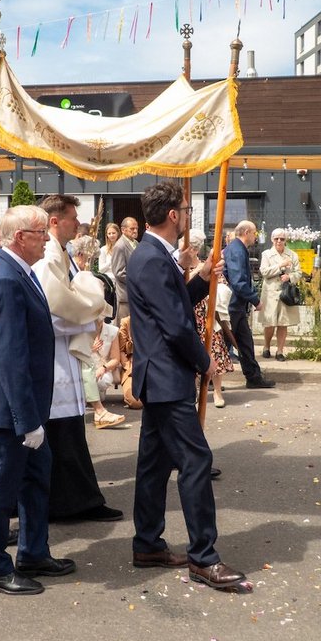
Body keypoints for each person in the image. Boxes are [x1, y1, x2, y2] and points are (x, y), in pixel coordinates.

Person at [126, 180, 246, 590]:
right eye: (187, 210)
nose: (189, 216)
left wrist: (200, 279)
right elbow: (175, 325)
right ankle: (203, 557)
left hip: (158, 376)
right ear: (173, 215)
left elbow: (172, 303)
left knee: (155, 464)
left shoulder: (154, 256)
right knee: (195, 461)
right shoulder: (153, 258)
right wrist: (205, 359)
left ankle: (147, 543)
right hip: (166, 376)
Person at [0, 206, 74, 595]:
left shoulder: (12, 271)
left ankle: (32, 551)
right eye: (40, 232)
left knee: (34, 477)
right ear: (18, 237)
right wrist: (26, 420)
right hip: (8, 406)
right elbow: (9, 355)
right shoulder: (6, 278)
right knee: (1, 483)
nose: (47, 238)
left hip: (18, 402)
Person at [35, 195, 122, 522]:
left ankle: (80, 499)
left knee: (71, 432)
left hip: (67, 354)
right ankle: (70, 503)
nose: (78, 223)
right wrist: (87, 318)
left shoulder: (64, 254)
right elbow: (48, 313)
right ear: (55, 221)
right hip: (55, 356)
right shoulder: (46, 259)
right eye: (72, 217)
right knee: (63, 434)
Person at [223, 220, 275, 389]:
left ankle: (253, 377)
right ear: (246, 232)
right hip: (232, 307)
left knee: (245, 342)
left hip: (235, 306)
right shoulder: (237, 250)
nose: (255, 236)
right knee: (224, 343)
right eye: (254, 233)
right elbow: (238, 282)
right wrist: (255, 299)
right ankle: (208, 380)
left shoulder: (237, 249)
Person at [186, 230, 234, 409]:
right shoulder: (180, 268)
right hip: (191, 315)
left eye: (193, 247)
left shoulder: (204, 264)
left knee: (215, 350)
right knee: (194, 353)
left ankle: (218, 393)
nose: (190, 251)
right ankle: (196, 390)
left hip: (207, 314)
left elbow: (222, 284)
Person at [258, 228, 303, 361]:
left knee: (283, 323)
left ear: (286, 240)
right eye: (276, 239)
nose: (279, 241)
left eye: (282, 239)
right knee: (269, 322)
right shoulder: (266, 254)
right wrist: (280, 266)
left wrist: (290, 277)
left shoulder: (293, 255)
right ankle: (266, 347)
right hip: (270, 293)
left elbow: (299, 273)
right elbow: (264, 272)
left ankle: (280, 351)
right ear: (272, 240)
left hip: (285, 293)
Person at [109, 217, 138, 322]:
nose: (135, 231)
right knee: (124, 330)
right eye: (132, 228)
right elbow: (119, 272)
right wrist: (137, 281)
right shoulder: (120, 246)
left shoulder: (136, 243)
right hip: (125, 297)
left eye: (136, 228)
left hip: (135, 295)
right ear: (123, 230)